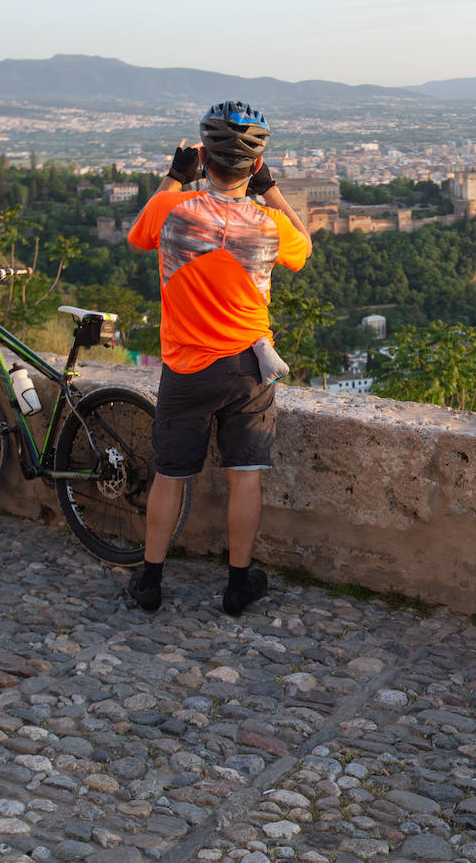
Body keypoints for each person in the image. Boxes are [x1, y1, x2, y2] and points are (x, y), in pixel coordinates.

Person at [124, 100, 311, 615]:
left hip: (185, 368)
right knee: (244, 475)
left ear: (202, 157)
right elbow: (305, 247)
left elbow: (138, 235)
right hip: (248, 368)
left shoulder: (173, 210)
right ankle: (236, 586)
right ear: (253, 166)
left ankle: (151, 581)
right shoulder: (270, 223)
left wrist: (172, 177)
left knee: (170, 474)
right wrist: (269, 187)